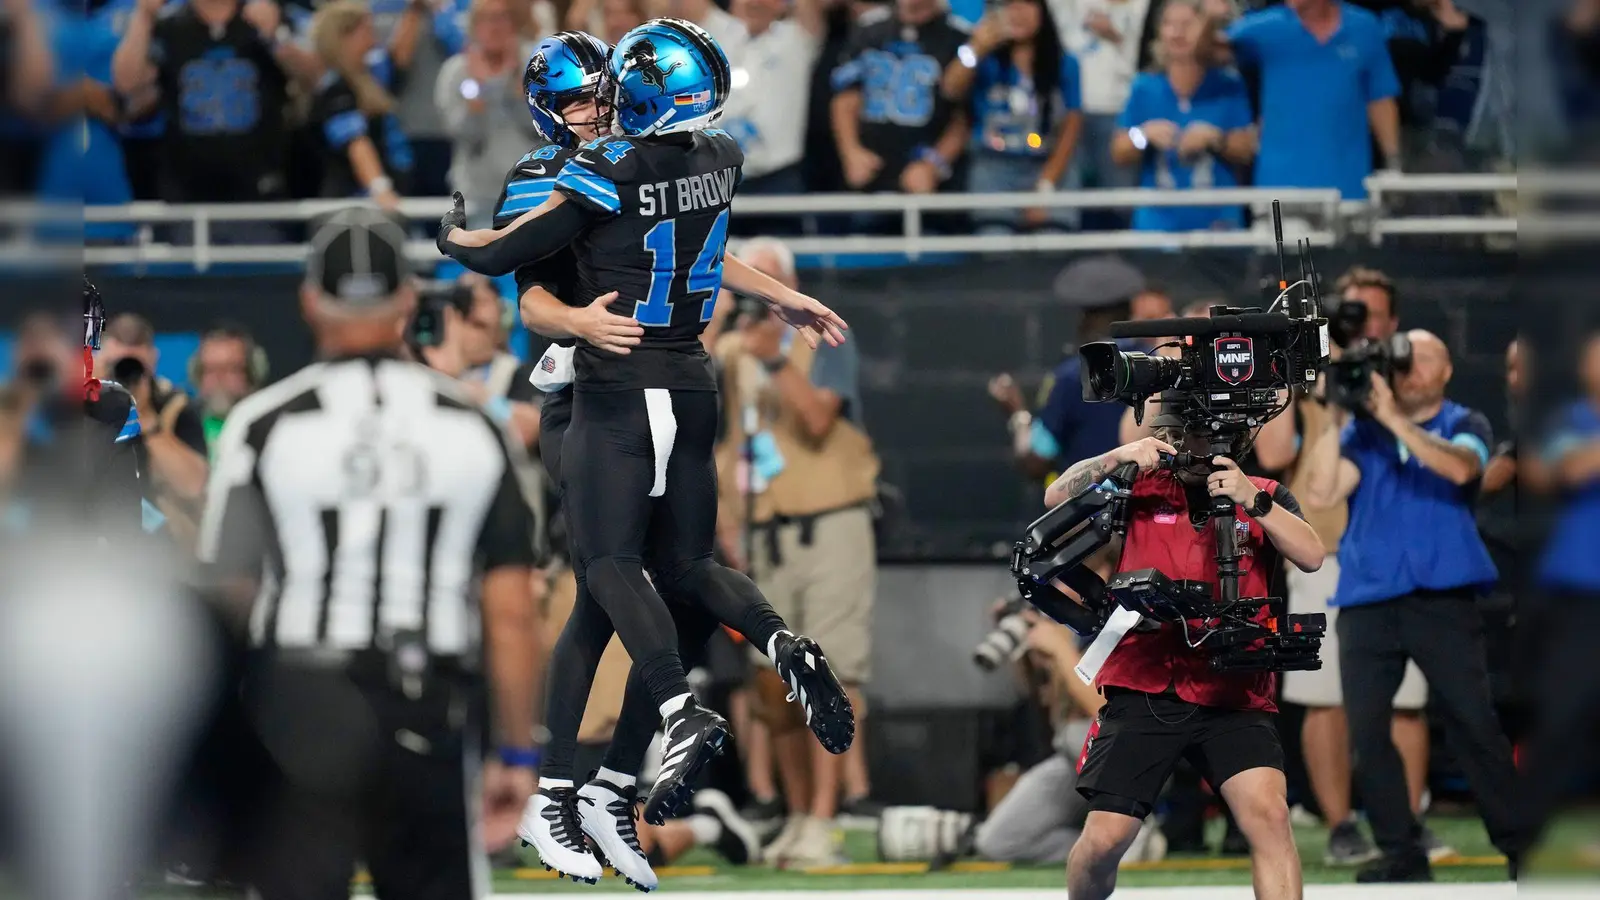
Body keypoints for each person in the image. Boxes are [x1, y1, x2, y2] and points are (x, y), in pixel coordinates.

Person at [443, 27, 855, 889]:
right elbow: (536, 303)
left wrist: (780, 297)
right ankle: (577, 788)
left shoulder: (632, 159)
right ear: (548, 111)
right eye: (577, 102)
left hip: (641, 382)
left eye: (602, 95)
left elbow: (689, 235)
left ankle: (598, 787)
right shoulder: (546, 174)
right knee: (618, 575)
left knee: (635, 586)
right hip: (585, 393)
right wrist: (582, 322)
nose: (593, 113)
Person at [195, 206, 545, 900]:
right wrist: (516, 750)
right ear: (408, 301)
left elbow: (229, 593)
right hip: (426, 704)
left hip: (295, 705)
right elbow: (509, 609)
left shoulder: (263, 427)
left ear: (308, 301)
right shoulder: (471, 425)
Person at [1046, 406, 1325, 900]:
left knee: (1270, 816)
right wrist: (1120, 456)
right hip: (1148, 680)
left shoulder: (1264, 491)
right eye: (1188, 435)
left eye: (1210, 437)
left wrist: (1251, 500)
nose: (1199, 448)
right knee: (1106, 840)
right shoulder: (1143, 487)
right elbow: (1054, 497)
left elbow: (1311, 555)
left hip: (1232, 688)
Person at [1302, 329, 1529, 882]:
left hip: (1440, 600)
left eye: (1420, 357)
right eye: (1401, 359)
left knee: (1473, 723)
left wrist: (1394, 420)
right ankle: (1401, 852)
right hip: (1368, 600)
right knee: (1368, 732)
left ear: (1447, 369)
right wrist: (1335, 419)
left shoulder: (1463, 423)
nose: (1409, 368)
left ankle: (1520, 845)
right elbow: (1322, 493)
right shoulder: (1363, 434)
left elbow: (1461, 470)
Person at [712, 238, 880, 868]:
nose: (755, 294)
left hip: (830, 527)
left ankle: (824, 817)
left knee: (833, 671)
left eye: (766, 283)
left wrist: (776, 359)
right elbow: (713, 429)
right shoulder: (731, 352)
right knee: (771, 680)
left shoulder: (822, 336)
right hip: (764, 534)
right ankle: (795, 812)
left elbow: (816, 423)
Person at [1277, 271, 1435, 866]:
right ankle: (1342, 825)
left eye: (1371, 315)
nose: (1361, 325)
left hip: (1397, 547)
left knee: (1407, 699)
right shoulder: (1309, 368)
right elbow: (1274, 452)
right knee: (1324, 695)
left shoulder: (1412, 369)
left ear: (1391, 323)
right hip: (1324, 541)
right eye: (1350, 314)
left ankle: (1409, 822)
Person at [1224, 0, 1401, 203]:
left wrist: (1393, 165)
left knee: (1348, 234)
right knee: (1280, 236)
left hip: (1348, 194)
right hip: (1276, 198)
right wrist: (1209, 18)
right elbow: (1211, 49)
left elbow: (1380, 99)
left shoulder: (1365, 28)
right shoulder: (1263, 27)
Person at [1112, 0, 1256, 233]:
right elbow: (1119, 151)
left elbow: (1247, 149)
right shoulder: (1144, 87)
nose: (1177, 32)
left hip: (1219, 228)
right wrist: (1144, 135)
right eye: (1169, 24)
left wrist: (1215, 140)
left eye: (1187, 24)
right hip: (1156, 230)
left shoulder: (1228, 85)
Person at [942, 0, 1083, 233]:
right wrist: (976, 48)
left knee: (1053, 242)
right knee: (994, 243)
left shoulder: (1066, 64)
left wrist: (1045, 186)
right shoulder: (984, 60)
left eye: (1027, 4)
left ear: (1042, 12)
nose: (1018, 12)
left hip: (1048, 163)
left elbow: (1071, 127)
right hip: (994, 164)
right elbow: (950, 88)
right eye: (1009, 4)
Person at [829, 0, 972, 197]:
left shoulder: (960, 35)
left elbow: (964, 115)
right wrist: (851, 152)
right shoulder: (868, 28)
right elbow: (845, 98)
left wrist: (934, 164)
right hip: (870, 173)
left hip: (929, 181)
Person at [95, 313, 211, 549]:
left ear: (153, 361)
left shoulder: (174, 408)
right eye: (116, 366)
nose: (126, 375)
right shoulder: (79, 404)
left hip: (158, 548)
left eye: (135, 367)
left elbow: (195, 486)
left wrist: (146, 418)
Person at [435, 0, 541, 225]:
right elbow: (466, 136)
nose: (495, 27)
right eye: (486, 19)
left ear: (514, 23)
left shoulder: (536, 65)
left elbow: (542, 130)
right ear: (474, 26)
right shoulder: (455, 72)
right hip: (477, 196)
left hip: (531, 190)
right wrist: (478, 93)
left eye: (502, 18)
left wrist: (516, 89)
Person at [308, 0, 415, 209]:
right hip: (354, 205)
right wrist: (380, 188)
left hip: (383, 196)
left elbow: (398, 58)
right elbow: (356, 142)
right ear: (345, 37)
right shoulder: (335, 89)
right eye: (366, 31)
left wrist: (415, 9)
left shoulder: (369, 79)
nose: (373, 40)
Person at [189, 325, 270, 458]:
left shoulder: (273, 430)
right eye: (210, 370)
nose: (219, 378)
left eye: (231, 369)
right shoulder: (180, 431)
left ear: (253, 373)